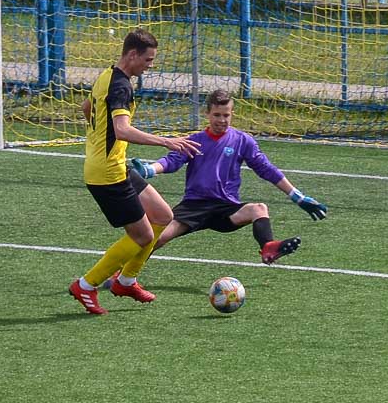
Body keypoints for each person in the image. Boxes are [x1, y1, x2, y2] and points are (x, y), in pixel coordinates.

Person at [69, 28, 202, 315]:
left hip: (114, 165)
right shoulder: (121, 87)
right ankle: (87, 285)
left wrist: (97, 139)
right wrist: (168, 142)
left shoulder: (107, 76)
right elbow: (122, 129)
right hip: (107, 174)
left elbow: (86, 107)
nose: (150, 66)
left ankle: (127, 280)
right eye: (148, 60)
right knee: (142, 236)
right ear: (132, 54)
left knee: (164, 216)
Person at [131, 88, 328, 265]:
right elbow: (171, 161)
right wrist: (150, 169)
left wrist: (297, 196)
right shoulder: (195, 141)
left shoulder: (243, 141)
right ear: (207, 114)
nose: (221, 120)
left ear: (232, 114)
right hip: (195, 205)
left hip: (226, 208)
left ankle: (268, 247)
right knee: (159, 237)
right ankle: (123, 274)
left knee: (259, 209)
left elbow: (267, 169)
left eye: (226, 115)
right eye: (217, 115)